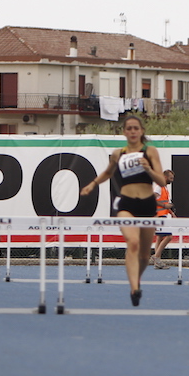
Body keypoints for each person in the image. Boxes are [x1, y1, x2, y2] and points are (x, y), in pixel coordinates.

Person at [80, 114, 166, 307]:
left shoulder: (150, 151)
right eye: (129, 128)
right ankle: (134, 288)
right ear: (124, 132)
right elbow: (108, 172)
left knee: (144, 256)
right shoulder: (118, 154)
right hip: (126, 204)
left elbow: (161, 181)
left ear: (142, 131)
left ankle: (136, 279)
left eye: (136, 128)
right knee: (132, 243)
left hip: (147, 204)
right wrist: (92, 184)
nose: (133, 131)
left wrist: (149, 170)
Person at [150, 169, 175, 269]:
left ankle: (157, 261)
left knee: (160, 238)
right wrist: (165, 206)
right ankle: (156, 257)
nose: (172, 180)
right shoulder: (159, 187)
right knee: (169, 236)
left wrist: (171, 213)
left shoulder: (164, 188)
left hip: (162, 215)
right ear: (165, 177)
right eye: (171, 178)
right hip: (159, 216)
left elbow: (165, 203)